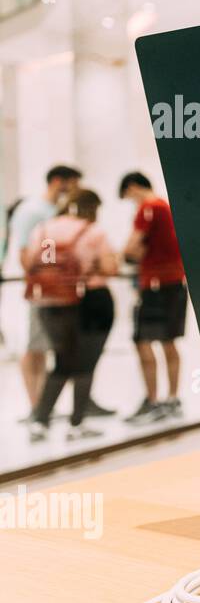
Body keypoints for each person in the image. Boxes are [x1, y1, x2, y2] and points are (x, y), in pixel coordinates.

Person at [21, 189, 118, 443]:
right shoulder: (92, 231)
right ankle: (77, 423)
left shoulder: (42, 230)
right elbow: (110, 267)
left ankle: (40, 421)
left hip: (51, 303)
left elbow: (32, 262)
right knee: (86, 362)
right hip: (89, 301)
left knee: (62, 361)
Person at [7, 165, 97, 421]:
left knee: (56, 348)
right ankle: (36, 407)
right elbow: (25, 253)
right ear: (58, 181)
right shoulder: (32, 211)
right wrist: (44, 282)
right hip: (44, 292)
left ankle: (54, 405)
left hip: (61, 293)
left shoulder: (51, 211)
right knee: (36, 347)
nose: (75, 190)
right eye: (72, 184)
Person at [120, 172, 188, 423]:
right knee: (169, 341)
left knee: (143, 340)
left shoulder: (149, 208)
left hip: (156, 285)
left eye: (128, 196)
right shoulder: (167, 207)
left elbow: (131, 249)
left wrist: (126, 256)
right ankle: (171, 399)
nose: (132, 202)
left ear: (134, 187)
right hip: (174, 282)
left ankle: (153, 401)